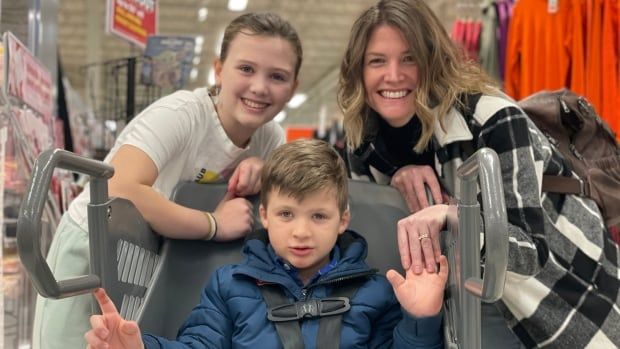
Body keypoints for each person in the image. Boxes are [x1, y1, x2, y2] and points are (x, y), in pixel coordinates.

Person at [338, 0, 620, 348]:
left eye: (409, 58)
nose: (394, 75)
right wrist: (398, 179)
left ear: (432, 60)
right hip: (460, 311)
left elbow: (531, 251)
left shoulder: (493, 117)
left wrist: (457, 217)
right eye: (377, 61)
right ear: (358, 70)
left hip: (560, 301)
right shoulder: (362, 144)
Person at [34, 12, 303, 349]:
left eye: (277, 76)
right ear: (219, 71)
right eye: (246, 69)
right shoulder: (182, 115)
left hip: (149, 260)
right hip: (94, 246)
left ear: (293, 87)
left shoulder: (269, 138)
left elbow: (299, 194)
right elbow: (120, 189)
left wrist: (263, 168)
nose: (260, 87)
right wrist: (214, 224)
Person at [83, 139, 448, 349]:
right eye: (287, 214)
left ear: (343, 219)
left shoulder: (378, 291)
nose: (301, 232)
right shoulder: (229, 286)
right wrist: (140, 347)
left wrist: (420, 318)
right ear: (266, 216)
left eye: (318, 216)